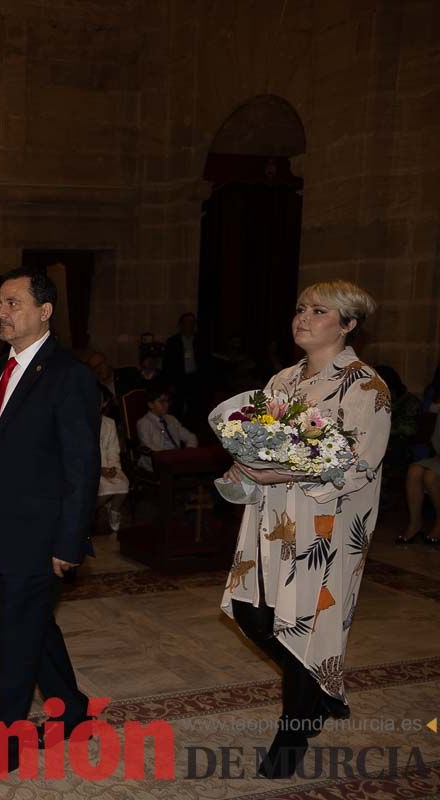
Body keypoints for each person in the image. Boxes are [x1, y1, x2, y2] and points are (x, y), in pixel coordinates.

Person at [219, 280, 390, 779]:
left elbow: (359, 464)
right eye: (300, 309)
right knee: (252, 613)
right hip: (271, 518)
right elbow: (259, 442)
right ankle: (318, 689)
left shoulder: (365, 387)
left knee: (300, 626)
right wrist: (242, 464)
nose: (303, 318)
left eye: (319, 311)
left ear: (348, 324)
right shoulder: (281, 380)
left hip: (325, 526)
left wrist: (284, 471)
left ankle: (292, 732)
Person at [0, 266, 100, 781]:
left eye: (13, 303)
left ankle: (2, 745)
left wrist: (69, 540)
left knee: (18, 637)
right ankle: (71, 706)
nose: (1, 313)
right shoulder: (1, 367)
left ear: (45, 311)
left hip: (40, 533)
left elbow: (81, 467)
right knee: (36, 626)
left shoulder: (69, 375)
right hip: (0, 524)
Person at [135, 388, 199, 472]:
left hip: (176, 458)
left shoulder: (171, 419)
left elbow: (190, 436)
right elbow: (148, 447)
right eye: (161, 402)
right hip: (157, 461)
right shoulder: (143, 423)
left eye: (167, 401)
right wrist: (171, 456)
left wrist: (189, 450)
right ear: (150, 404)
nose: (166, 405)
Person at [162, 312, 209, 419]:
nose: (190, 325)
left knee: (195, 408)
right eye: (187, 322)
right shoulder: (173, 342)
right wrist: (169, 383)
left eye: (192, 323)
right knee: (177, 407)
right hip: (179, 378)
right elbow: (167, 364)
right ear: (181, 324)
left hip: (195, 378)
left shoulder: (200, 340)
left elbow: (206, 362)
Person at [97, 390, 129, 534]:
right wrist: (99, 469)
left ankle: (114, 511)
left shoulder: (109, 423)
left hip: (108, 465)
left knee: (123, 484)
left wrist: (113, 467)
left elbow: (113, 448)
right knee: (105, 489)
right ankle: (88, 513)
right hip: (91, 468)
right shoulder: (80, 421)